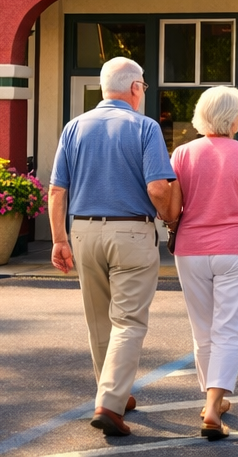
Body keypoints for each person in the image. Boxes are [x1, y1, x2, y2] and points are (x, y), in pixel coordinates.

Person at [48, 57, 177, 438]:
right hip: (132, 233)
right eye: (144, 88)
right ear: (135, 88)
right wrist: (171, 217)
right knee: (129, 321)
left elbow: (57, 190)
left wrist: (58, 238)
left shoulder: (74, 127)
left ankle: (114, 392)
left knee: (99, 319)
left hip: (84, 231)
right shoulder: (145, 127)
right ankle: (109, 401)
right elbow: (157, 187)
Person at [162, 86, 238, 442]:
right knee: (228, 328)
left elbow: (174, 210)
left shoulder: (182, 154)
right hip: (236, 252)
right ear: (231, 118)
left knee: (203, 328)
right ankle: (214, 404)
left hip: (191, 251)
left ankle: (212, 399)